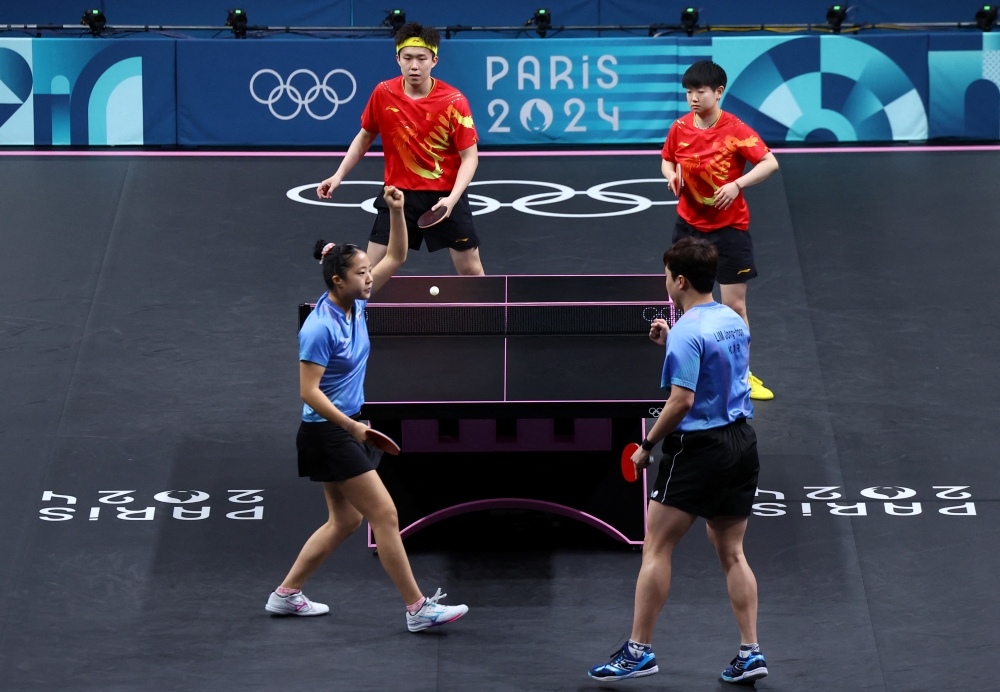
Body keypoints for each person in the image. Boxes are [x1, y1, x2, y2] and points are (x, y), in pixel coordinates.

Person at [265, 185, 468, 633]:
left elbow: (397, 252)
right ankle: (417, 609)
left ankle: (285, 594)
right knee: (386, 515)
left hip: (338, 428)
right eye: (362, 273)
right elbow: (308, 391)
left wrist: (397, 211)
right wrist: (353, 429)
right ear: (339, 280)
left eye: (368, 272)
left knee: (345, 521)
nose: (370, 277)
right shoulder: (320, 328)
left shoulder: (356, 304)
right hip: (329, 431)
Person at [588, 238, 766, 684]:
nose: (665, 281)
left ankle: (638, 652)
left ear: (679, 280)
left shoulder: (688, 330)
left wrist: (648, 444)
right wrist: (672, 342)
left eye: (666, 275)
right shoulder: (731, 318)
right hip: (743, 441)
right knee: (732, 551)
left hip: (700, 449)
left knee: (657, 546)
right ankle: (751, 652)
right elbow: (721, 367)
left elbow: (682, 401)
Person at [317, 22, 484, 276]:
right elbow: (364, 137)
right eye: (408, 58)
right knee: (368, 271)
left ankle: (489, 316)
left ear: (434, 60)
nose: (414, 66)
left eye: (421, 58)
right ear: (398, 59)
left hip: (445, 195)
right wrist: (338, 175)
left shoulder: (454, 101)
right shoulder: (383, 93)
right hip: (398, 195)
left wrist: (452, 199)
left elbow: (470, 158)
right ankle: (354, 316)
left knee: (471, 269)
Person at [661, 60, 780, 400]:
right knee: (682, 301)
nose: (693, 98)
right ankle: (684, 370)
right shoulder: (680, 128)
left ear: (718, 92)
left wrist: (737, 185)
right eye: (688, 92)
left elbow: (770, 162)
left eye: (700, 91)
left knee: (734, 307)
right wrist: (670, 174)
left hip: (728, 229)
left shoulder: (736, 129)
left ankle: (742, 374)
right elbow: (667, 158)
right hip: (687, 225)